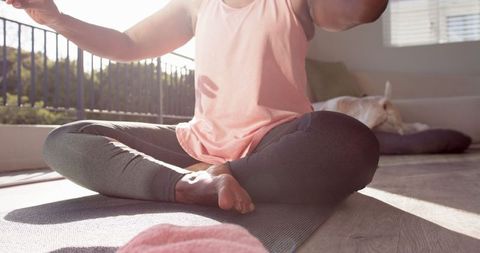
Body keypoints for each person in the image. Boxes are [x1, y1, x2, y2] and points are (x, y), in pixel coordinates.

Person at [6, 0, 388, 214]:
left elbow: (361, 9)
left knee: (352, 142)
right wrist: (55, 19)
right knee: (68, 139)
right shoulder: (195, 5)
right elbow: (126, 43)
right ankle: (190, 185)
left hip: (277, 140)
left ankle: (226, 174)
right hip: (196, 143)